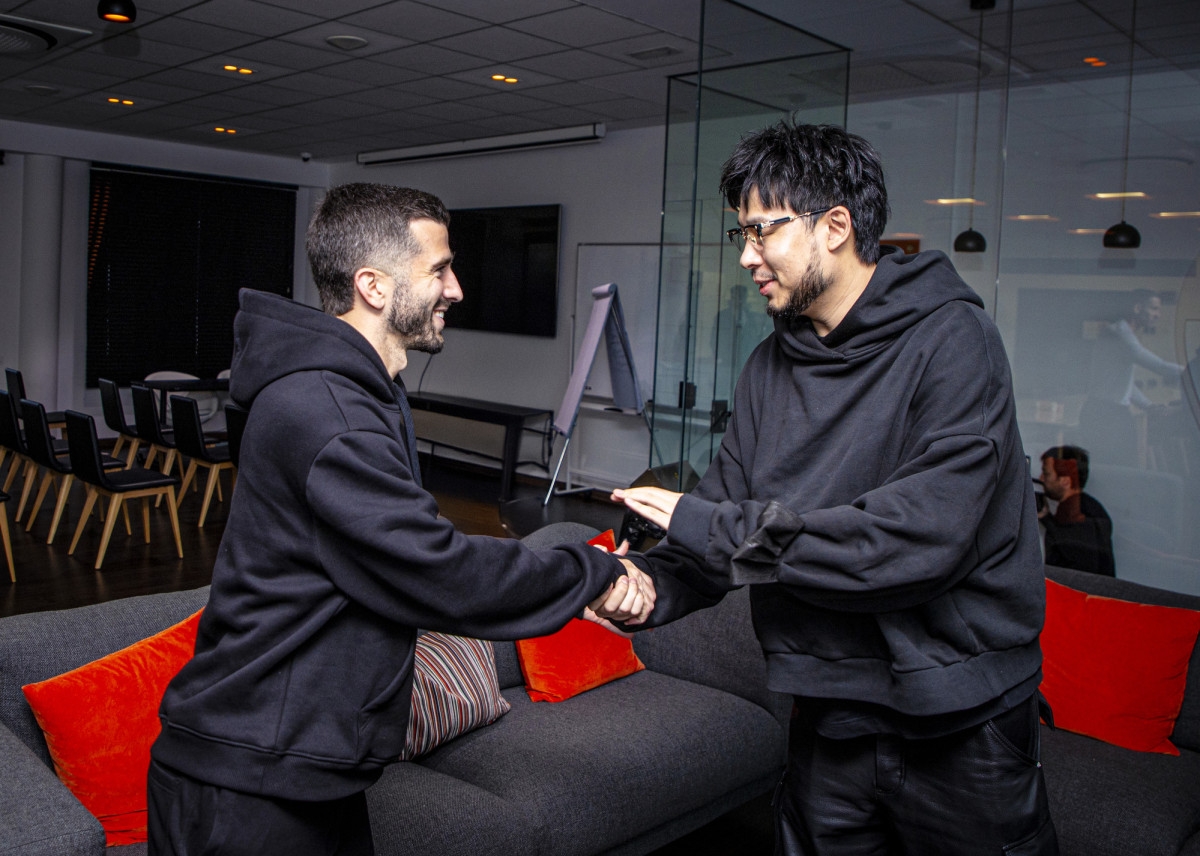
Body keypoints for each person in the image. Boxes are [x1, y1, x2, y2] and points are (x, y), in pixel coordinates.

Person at [148, 183, 653, 856]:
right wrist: (592, 572)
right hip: (248, 782)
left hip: (302, 768)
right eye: (439, 269)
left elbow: (403, 552)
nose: (456, 290)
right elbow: (441, 572)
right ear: (374, 286)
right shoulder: (328, 414)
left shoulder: (357, 393)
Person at [610, 121, 1057, 855]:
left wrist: (707, 526)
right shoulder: (768, 366)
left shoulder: (954, 342)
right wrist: (644, 587)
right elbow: (722, 523)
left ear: (836, 227)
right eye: (741, 235)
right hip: (827, 710)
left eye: (763, 231)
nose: (746, 255)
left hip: (962, 720)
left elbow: (919, 540)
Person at [1081, 290, 1183, 462]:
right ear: (1137, 308)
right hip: (1105, 414)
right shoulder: (1120, 333)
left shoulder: (1122, 333)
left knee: (1125, 464)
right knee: (1119, 466)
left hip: (1110, 412)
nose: (1158, 315)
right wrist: (1192, 370)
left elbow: (1123, 383)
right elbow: (1159, 366)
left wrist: (1148, 406)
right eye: (1154, 309)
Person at [1038, 445, 1114, 576]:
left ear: (1065, 481)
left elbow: (1073, 552)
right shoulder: (1091, 508)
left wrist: (1047, 520)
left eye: (1046, 474)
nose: (1041, 478)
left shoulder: (1081, 515)